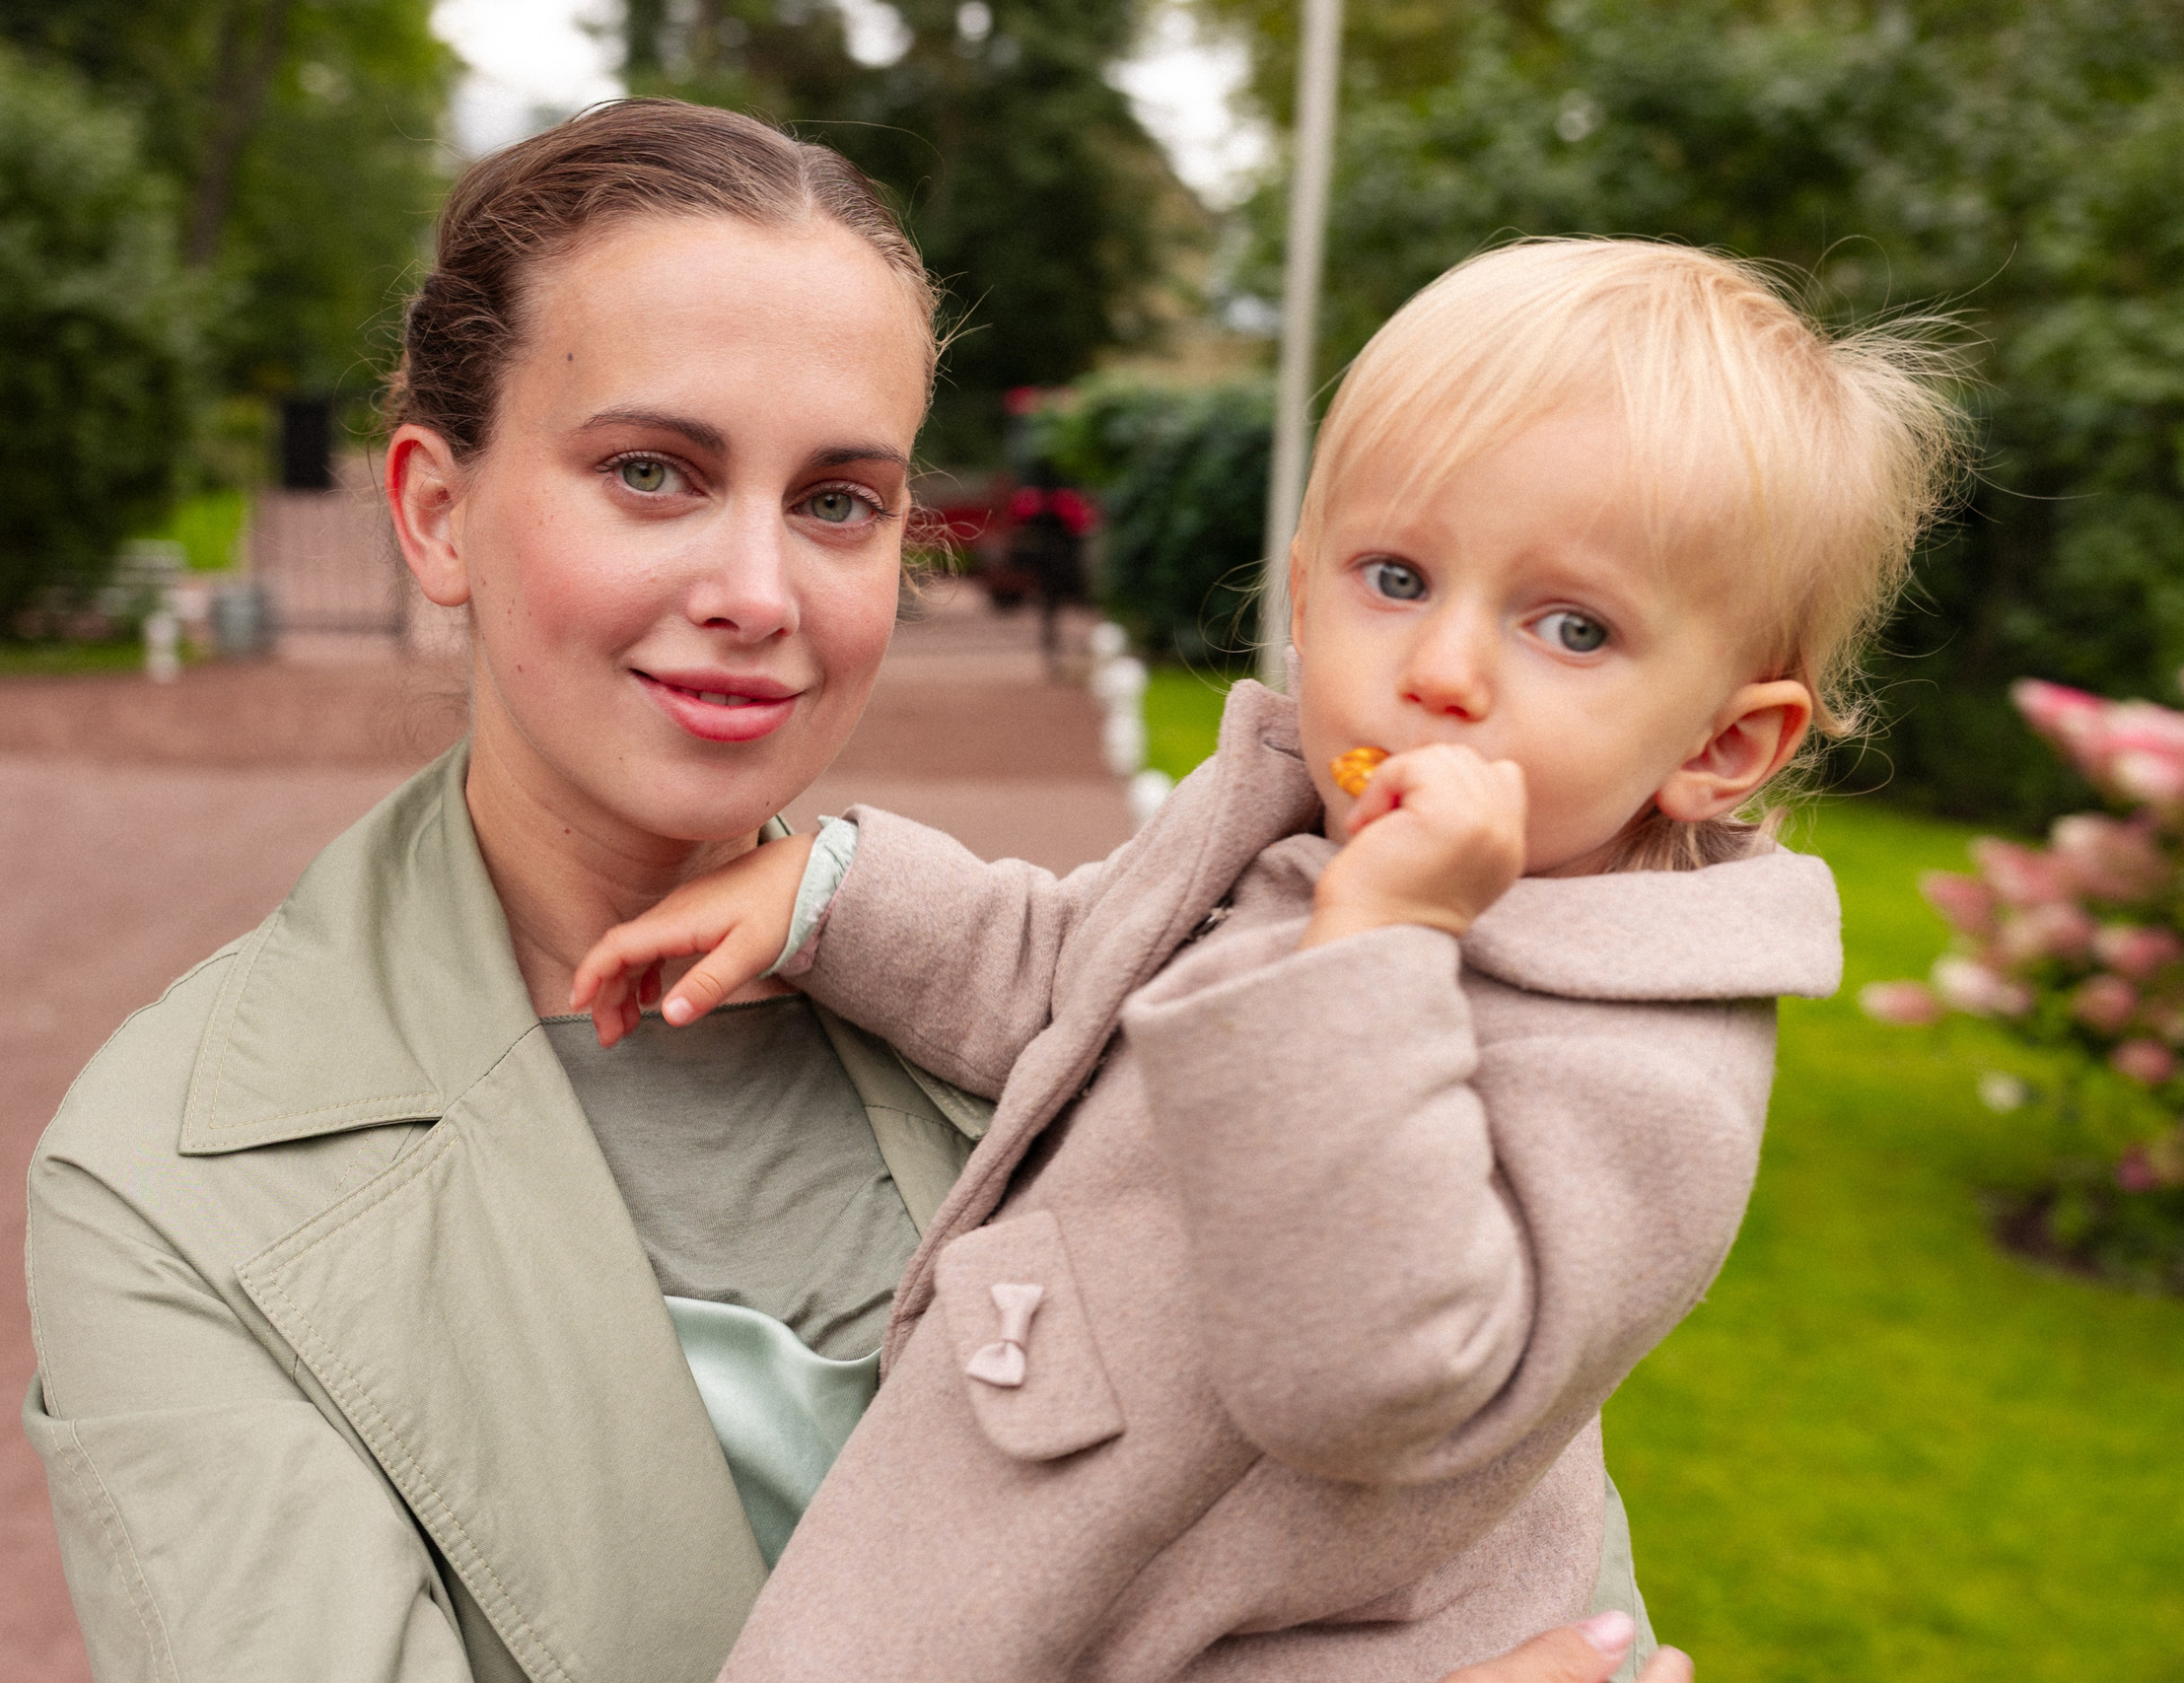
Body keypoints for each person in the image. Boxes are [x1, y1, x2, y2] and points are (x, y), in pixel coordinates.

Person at [22, 96, 1674, 1683]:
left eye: (837, 503)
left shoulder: (1220, 976)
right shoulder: (170, 1183)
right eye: (652, 472)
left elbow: (1504, 1569)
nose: (757, 592)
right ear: (436, 514)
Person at [574, 240, 1967, 1681]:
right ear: (1303, 597)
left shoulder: (1647, 1064)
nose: (1442, 669)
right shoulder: (1289, 823)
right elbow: (1076, 980)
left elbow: (1367, 1379)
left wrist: (1376, 953)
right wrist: (839, 895)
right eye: (1398, 575)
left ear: (1719, 747)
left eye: (1571, 627)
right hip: (1036, 1516)